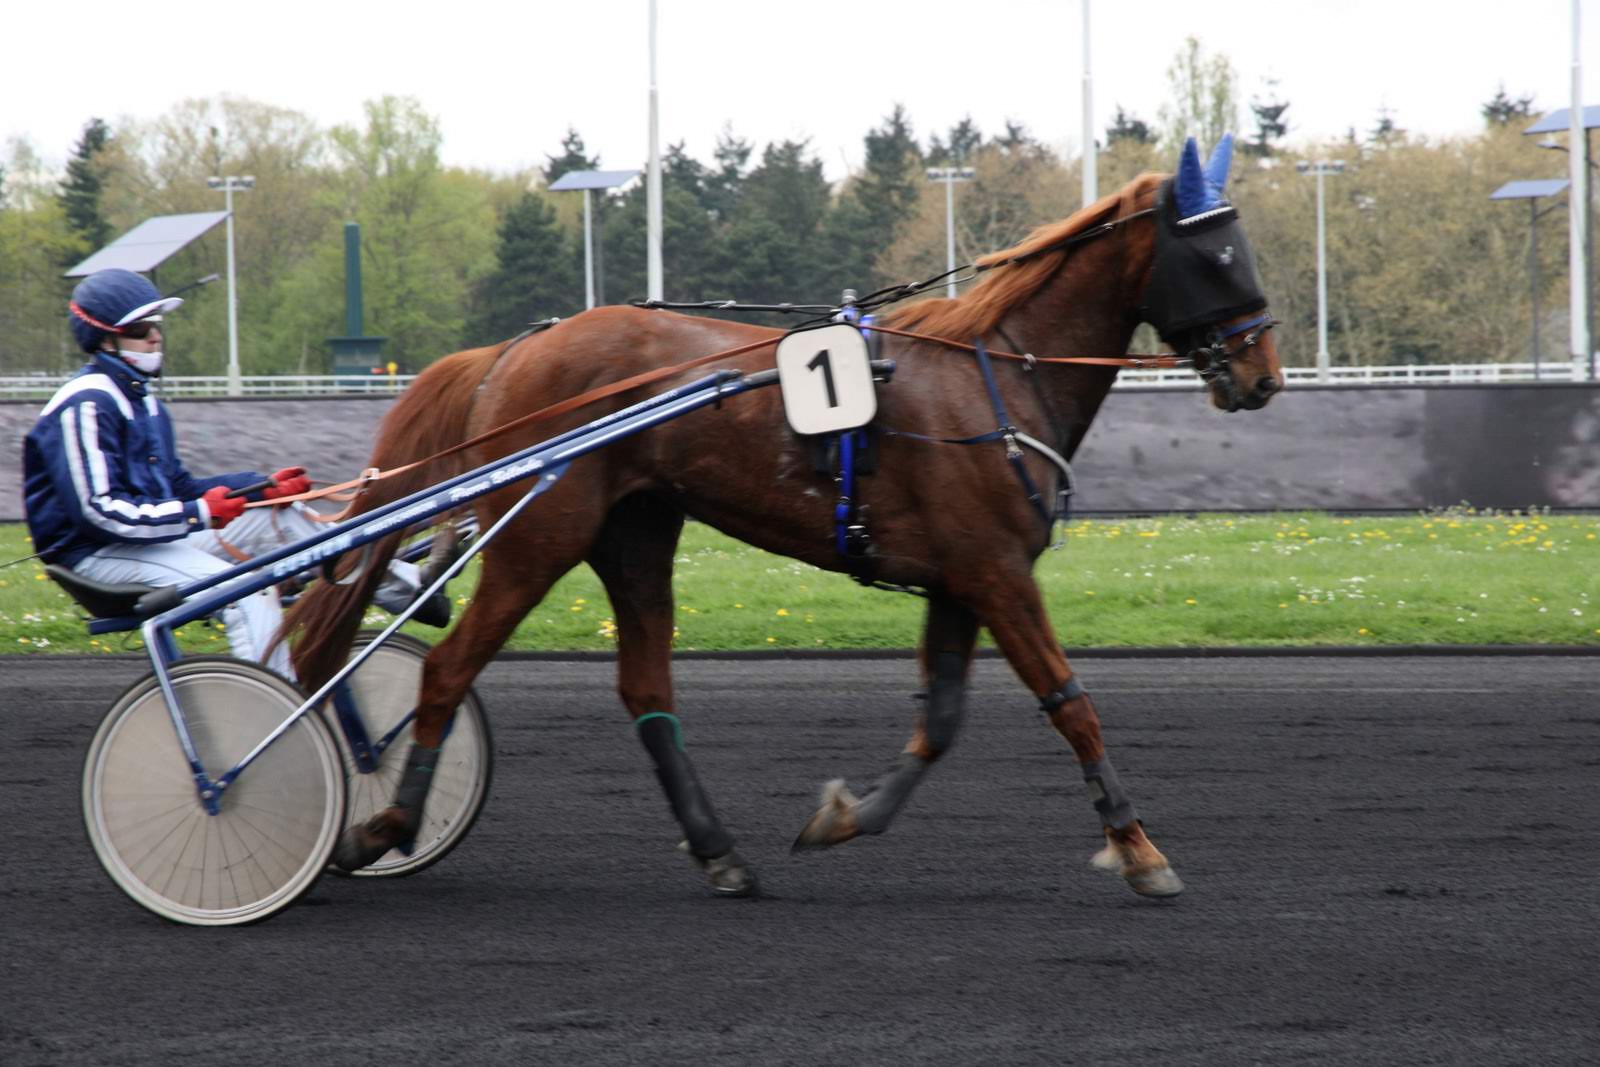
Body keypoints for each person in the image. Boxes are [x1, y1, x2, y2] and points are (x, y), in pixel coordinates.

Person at [22, 268, 447, 679]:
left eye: (156, 324)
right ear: (105, 340)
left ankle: (414, 590)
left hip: (145, 541)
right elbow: (100, 513)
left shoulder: (142, 401)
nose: (155, 335)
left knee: (284, 517)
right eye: (141, 328)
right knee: (247, 590)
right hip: (95, 556)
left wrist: (260, 488)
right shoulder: (86, 406)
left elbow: (179, 488)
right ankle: (275, 711)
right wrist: (199, 514)